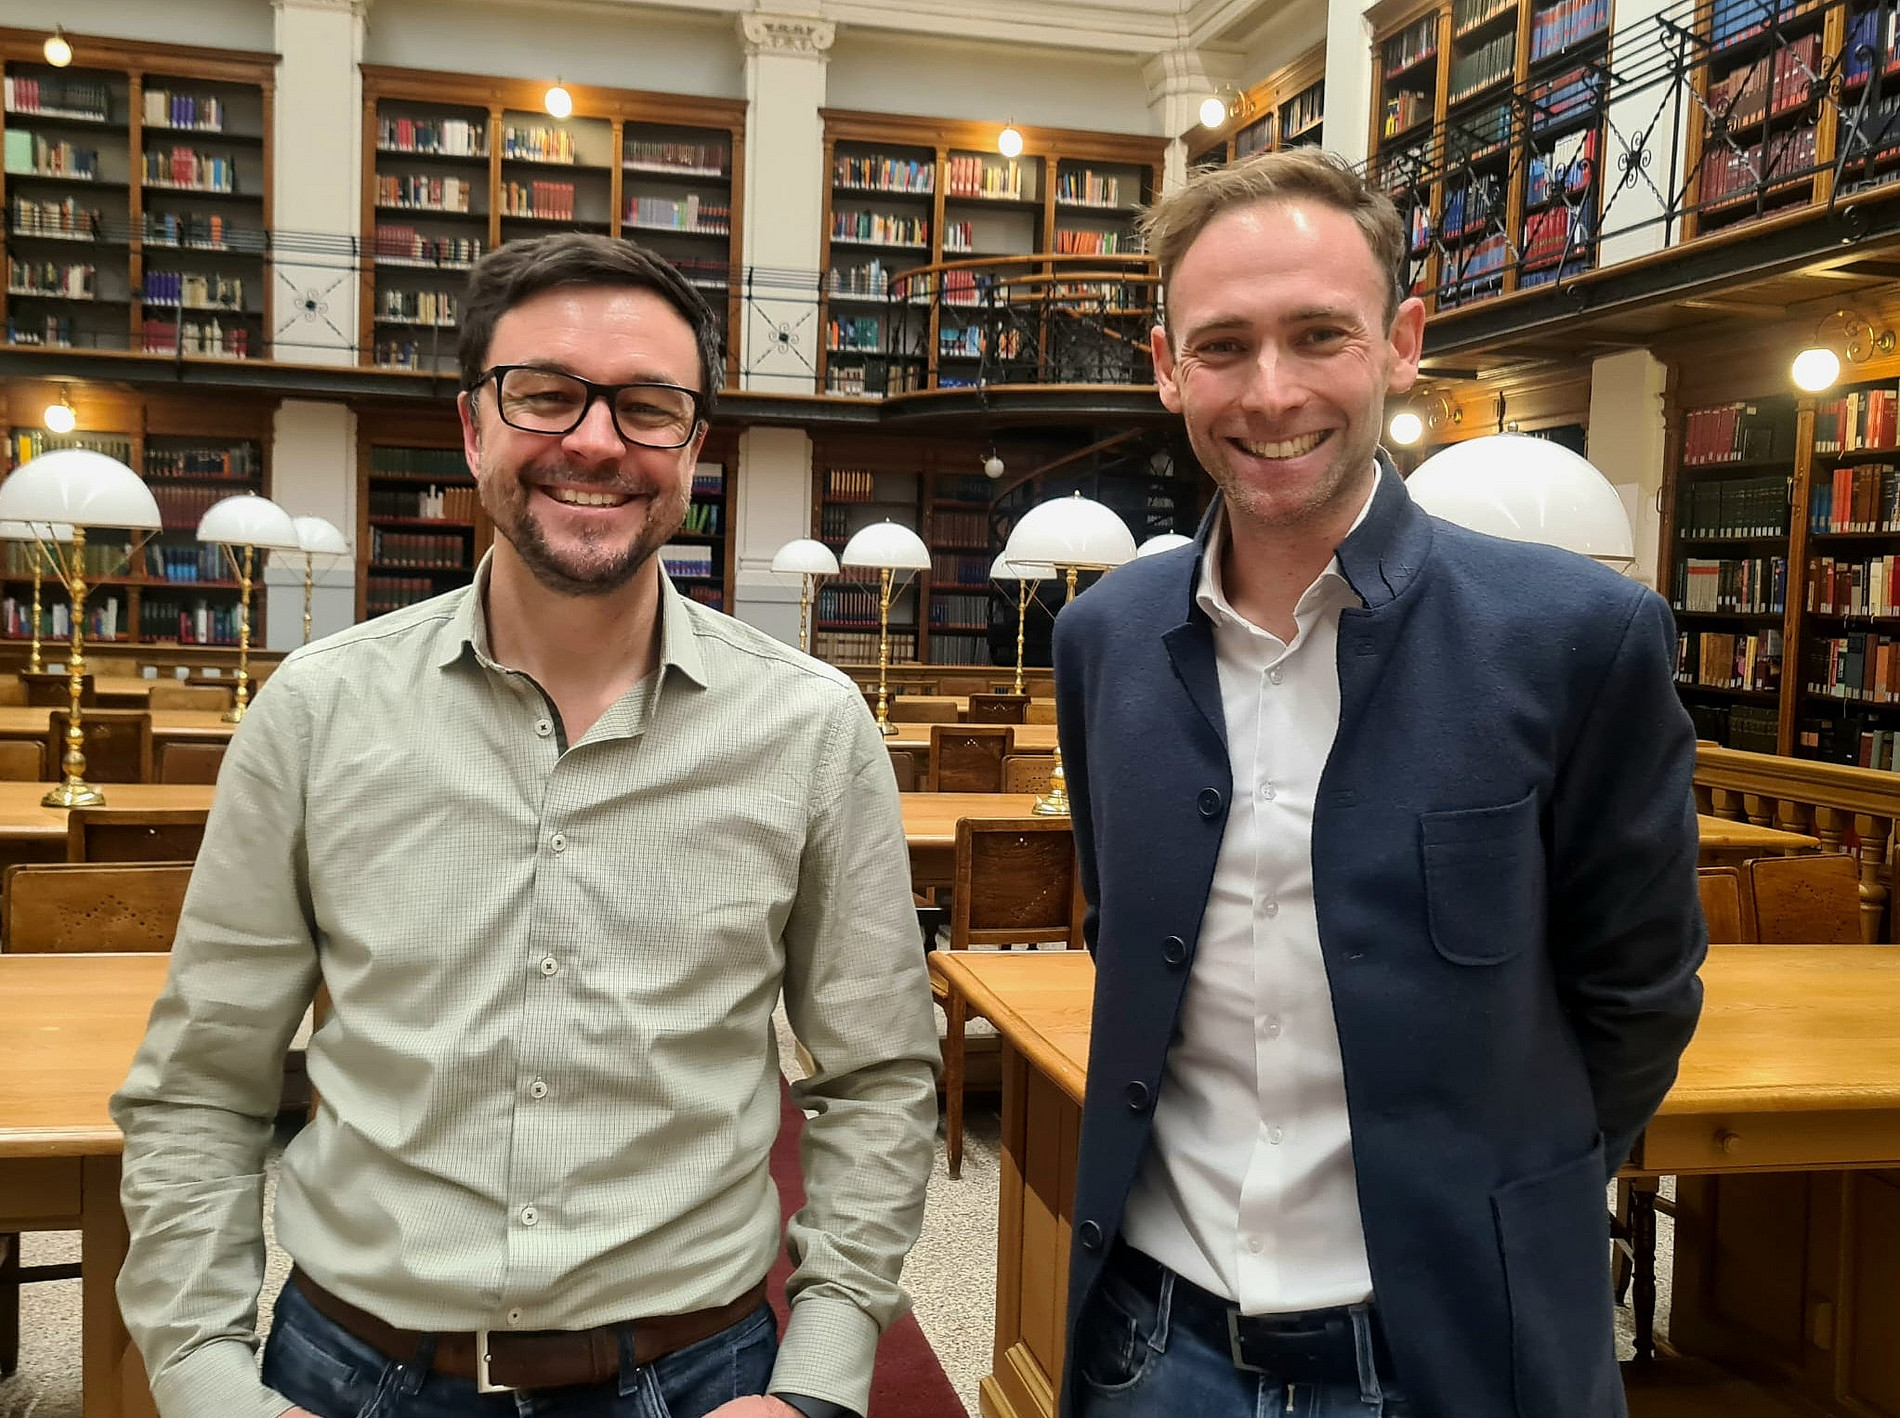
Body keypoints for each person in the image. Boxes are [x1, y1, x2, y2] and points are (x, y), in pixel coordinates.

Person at [111, 232, 940, 1418]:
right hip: (347, 1371)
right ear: (472, 428)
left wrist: (819, 1374)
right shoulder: (317, 709)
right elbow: (202, 1086)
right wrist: (203, 1381)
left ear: (693, 447)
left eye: (648, 406)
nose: (595, 440)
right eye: (545, 394)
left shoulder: (809, 729)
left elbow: (877, 1076)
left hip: (695, 1376)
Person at [1050, 149, 1705, 1418]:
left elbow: (1638, 996)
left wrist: (1502, 1197)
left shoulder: (1578, 635)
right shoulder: (1104, 639)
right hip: (1152, 1340)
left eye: (1318, 335)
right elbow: (1120, 933)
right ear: (1166, 364)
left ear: (1403, 342)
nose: (1272, 390)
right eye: (1224, 345)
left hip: (1455, 1347)